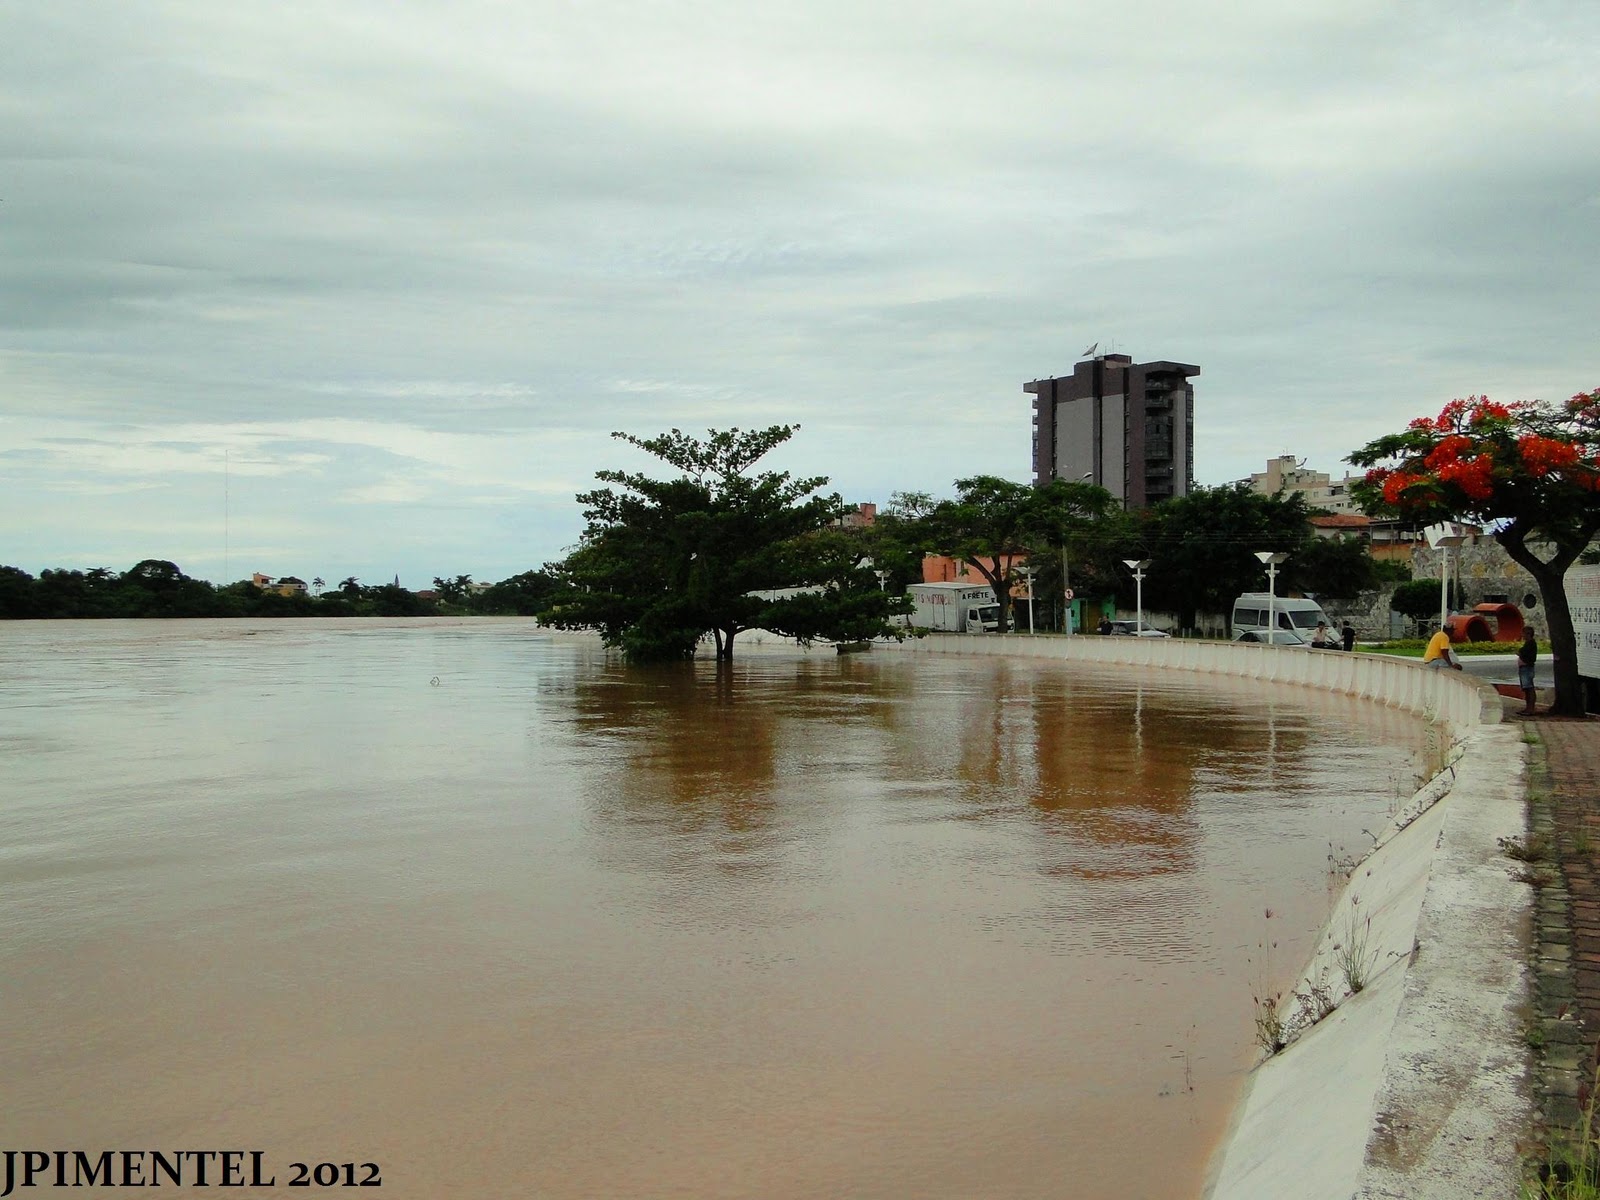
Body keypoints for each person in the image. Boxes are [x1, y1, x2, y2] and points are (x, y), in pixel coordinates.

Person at [1518, 627, 1539, 715]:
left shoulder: (1531, 644)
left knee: (1529, 688)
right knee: (1526, 689)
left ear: (1528, 634)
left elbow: (1530, 657)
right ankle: (1527, 708)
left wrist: (1521, 655)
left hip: (1527, 668)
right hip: (1524, 668)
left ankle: (1531, 709)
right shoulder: (1528, 643)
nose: (1522, 635)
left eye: (1523, 634)